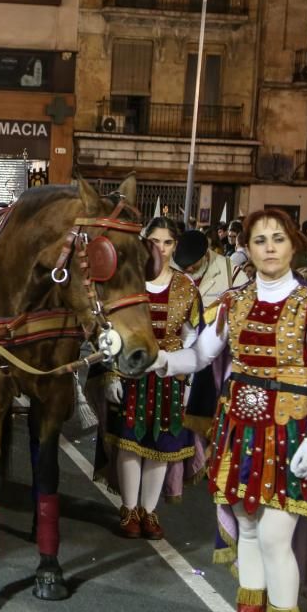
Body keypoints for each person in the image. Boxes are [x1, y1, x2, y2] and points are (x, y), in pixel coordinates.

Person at [149, 208, 307, 612]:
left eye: (278, 239)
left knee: (273, 535)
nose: (268, 247)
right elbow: (202, 356)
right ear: (247, 247)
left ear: (292, 246)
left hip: (290, 430)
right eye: (260, 239)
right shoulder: (232, 300)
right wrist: (159, 361)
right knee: (247, 527)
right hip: (239, 427)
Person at [99, 218, 202, 540]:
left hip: (168, 376)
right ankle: (129, 509)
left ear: (175, 246)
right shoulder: (128, 281)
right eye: (154, 241)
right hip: (131, 369)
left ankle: (149, 510)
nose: (160, 248)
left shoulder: (187, 286)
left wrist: (186, 379)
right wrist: (112, 374)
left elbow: (193, 336)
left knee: (161, 446)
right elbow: (109, 331)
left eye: (167, 242)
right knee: (130, 444)